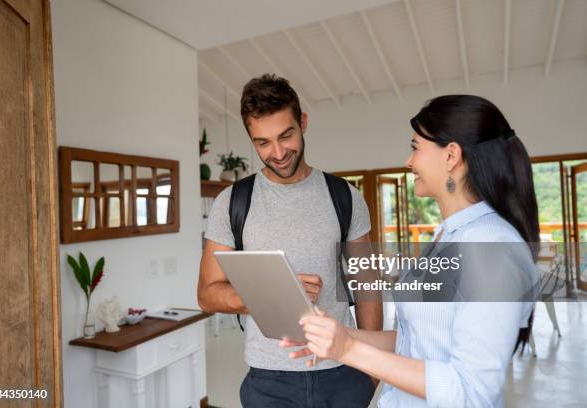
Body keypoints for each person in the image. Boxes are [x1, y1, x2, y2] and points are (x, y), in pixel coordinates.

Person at [281, 95, 539, 407]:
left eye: (416, 146)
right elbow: (414, 343)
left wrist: (349, 349)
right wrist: (338, 336)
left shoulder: (493, 249)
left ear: (451, 156)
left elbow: (472, 393)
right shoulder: (446, 235)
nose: (409, 161)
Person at [198, 74, 382, 408]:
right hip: (269, 379)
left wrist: (371, 368)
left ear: (303, 123)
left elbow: (367, 283)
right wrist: (275, 293)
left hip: (343, 371)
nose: (278, 152)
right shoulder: (233, 201)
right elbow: (207, 294)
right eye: (263, 143)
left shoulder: (345, 197)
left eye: (286, 135)